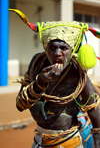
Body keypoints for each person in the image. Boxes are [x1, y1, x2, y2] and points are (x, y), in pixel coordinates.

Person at [9, 9, 100, 148]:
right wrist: (40, 82)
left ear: (72, 50)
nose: (57, 53)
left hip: (69, 140)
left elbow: (94, 111)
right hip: (40, 139)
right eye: (52, 48)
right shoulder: (37, 64)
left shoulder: (78, 73)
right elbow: (20, 105)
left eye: (63, 48)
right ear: (46, 48)